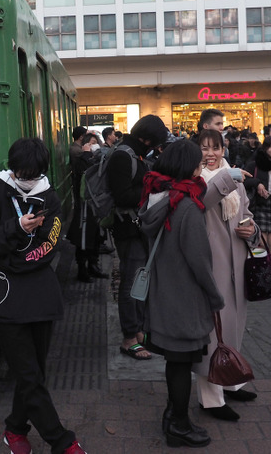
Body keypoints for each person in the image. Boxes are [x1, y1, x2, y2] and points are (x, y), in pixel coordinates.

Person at [0, 137, 87, 454]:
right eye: (23, 174)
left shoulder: (49, 195)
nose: (28, 180)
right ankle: (62, 441)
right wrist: (17, 228)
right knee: (28, 374)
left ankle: (15, 429)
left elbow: (52, 241)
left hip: (40, 294)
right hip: (5, 296)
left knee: (34, 373)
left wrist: (13, 259)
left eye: (34, 174)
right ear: (12, 168)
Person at [138, 139, 223, 448]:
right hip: (185, 298)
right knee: (181, 363)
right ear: (186, 167)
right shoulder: (186, 204)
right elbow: (200, 261)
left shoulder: (157, 196)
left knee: (175, 362)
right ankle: (179, 425)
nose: (201, 166)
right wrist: (215, 296)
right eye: (197, 162)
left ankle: (173, 416)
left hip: (162, 294)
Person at [194, 129, 262, 422]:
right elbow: (204, 202)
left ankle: (232, 381)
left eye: (216, 148)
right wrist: (228, 177)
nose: (211, 154)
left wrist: (253, 231)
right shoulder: (195, 181)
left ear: (224, 149)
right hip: (210, 265)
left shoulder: (234, 180)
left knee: (233, 326)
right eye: (205, 148)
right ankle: (210, 399)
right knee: (212, 332)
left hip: (237, 262)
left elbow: (246, 215)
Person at [106, 114, 170, 361]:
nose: (154, 148)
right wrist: (153, 188)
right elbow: (121, 195)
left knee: (140, 278)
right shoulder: (123, 156)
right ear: (145, 138)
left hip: (137, 227)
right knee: (131, 281)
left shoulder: (136, 154)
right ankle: (129, 337)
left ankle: (139, 330)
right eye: (153, 143)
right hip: (127, 228)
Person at [67, 132, 108, 283]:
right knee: (84, 238)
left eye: (95, 143)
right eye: (90, 143)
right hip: (85, 207)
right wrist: (85, 154)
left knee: (97, 236)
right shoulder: (81, 159)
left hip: (98, 205)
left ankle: (93, 265)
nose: (93, 146)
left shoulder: (100, 159)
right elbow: (79, 172)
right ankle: (82, 269)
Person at [244, 137, 271, 259]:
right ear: (265, 148)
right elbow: (244, 181)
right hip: (259, 205)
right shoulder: (255, 164)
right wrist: (257, 183)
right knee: (261, 240)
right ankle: (262, 265)